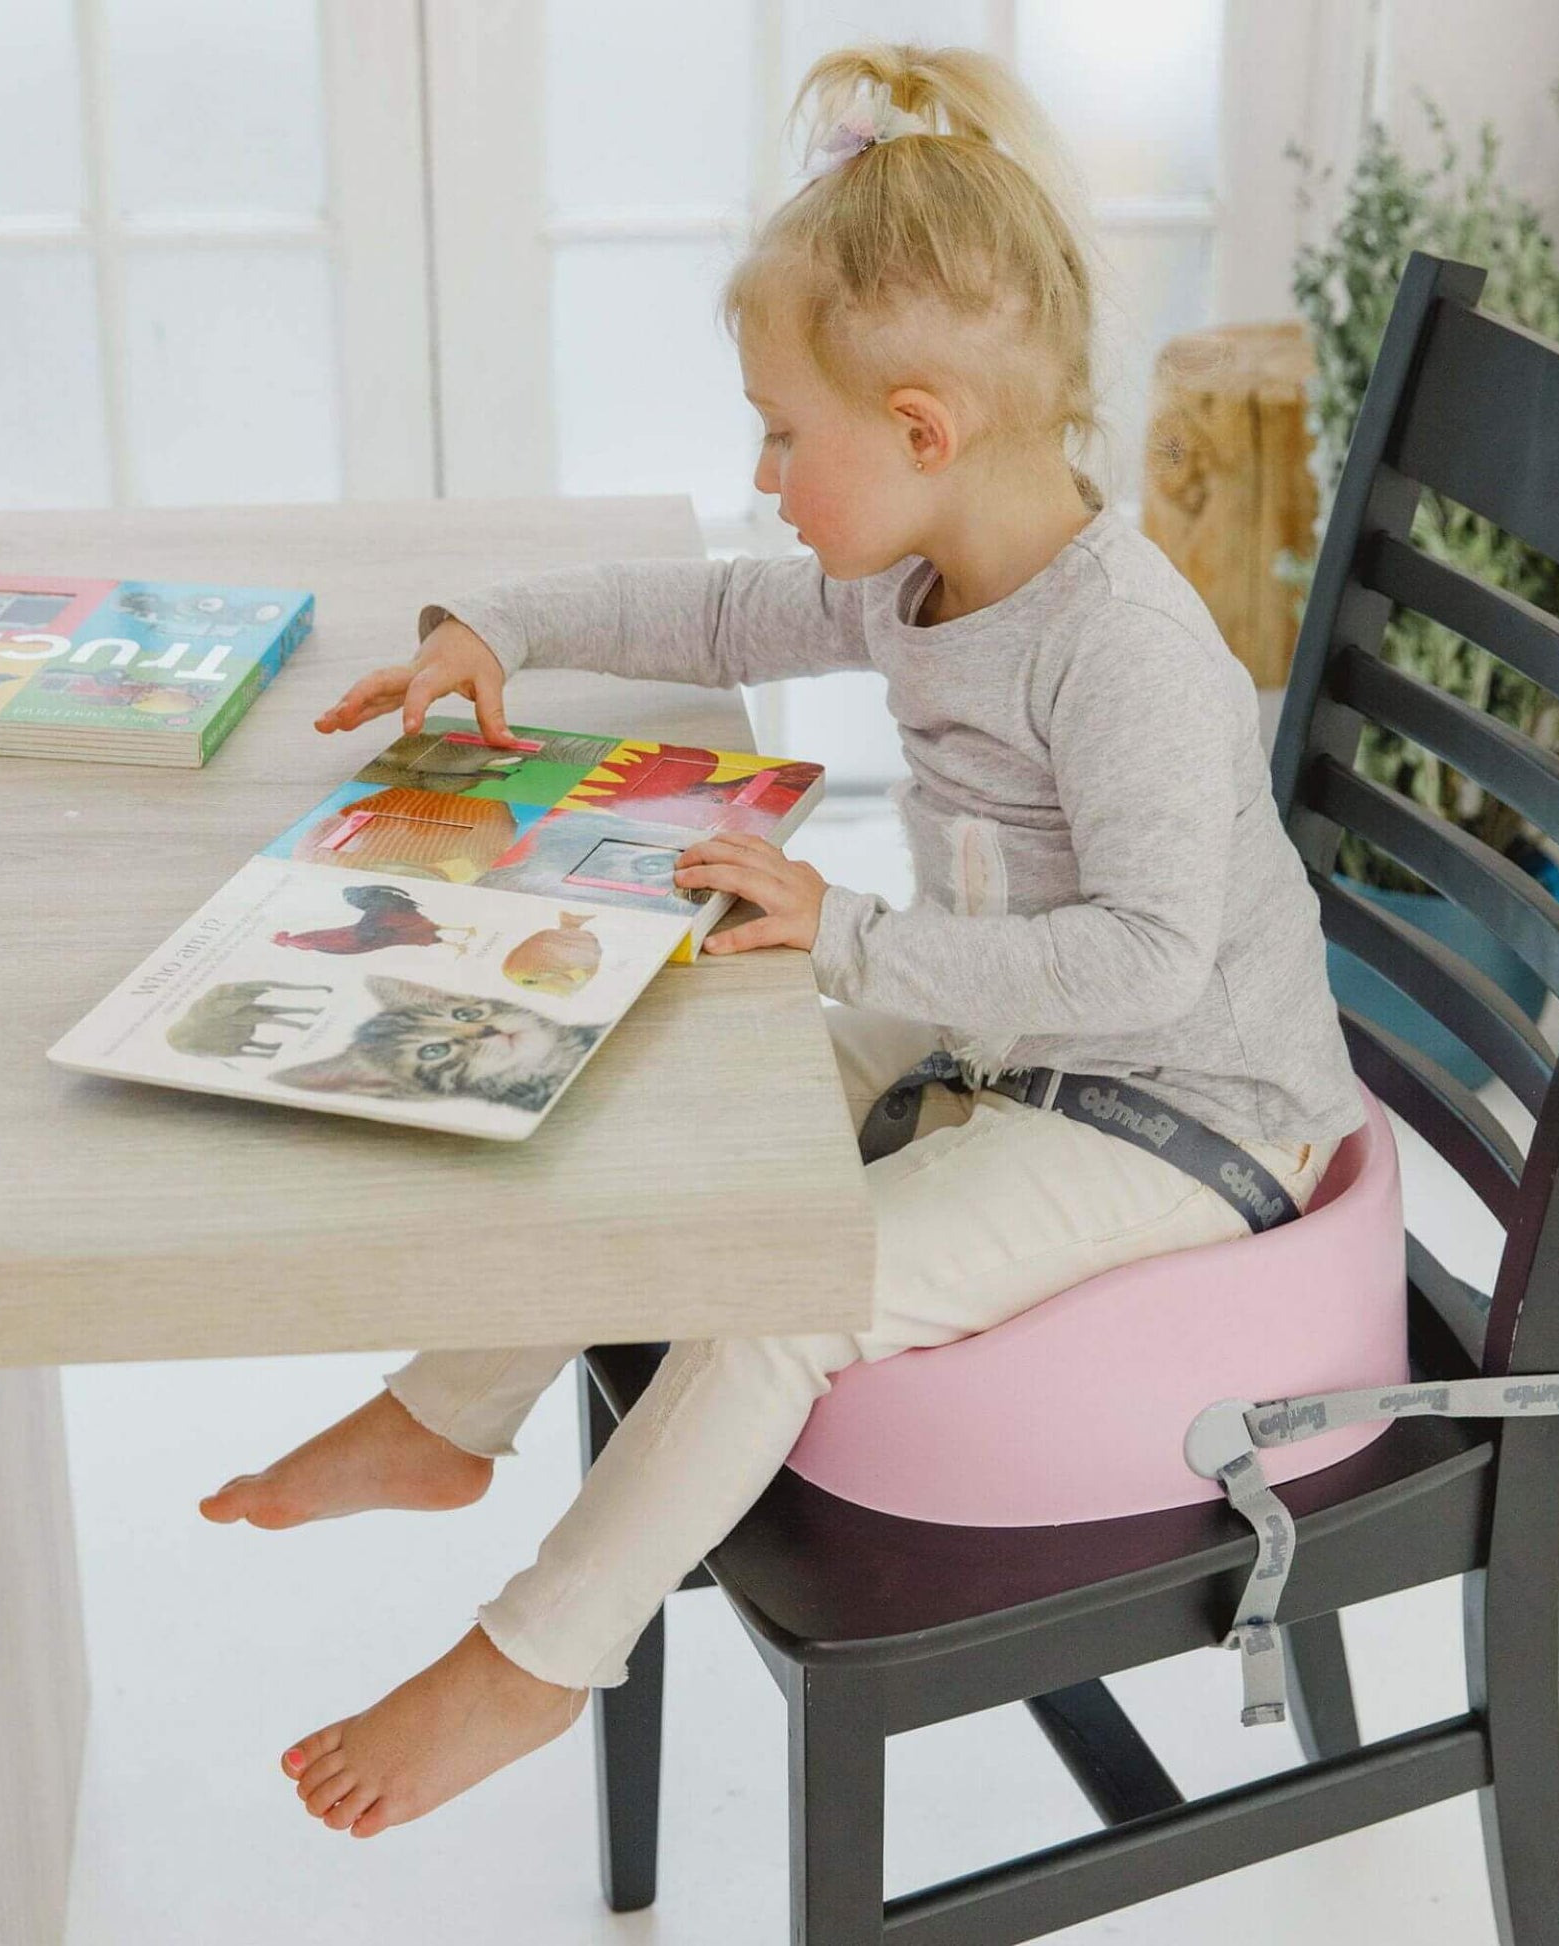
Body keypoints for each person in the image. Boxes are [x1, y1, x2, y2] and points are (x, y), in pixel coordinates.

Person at [199, 40, 1367, 1842]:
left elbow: (1144, 965)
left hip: (1188, 1112)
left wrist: (844, 932)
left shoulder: (1114, 643)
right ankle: (445, 1416)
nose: (762, 478)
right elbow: (725, 602)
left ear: (918, 428)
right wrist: (493, 621)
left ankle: (532, 1656)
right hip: (1009, 1039)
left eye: (776, 435)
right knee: (655, 1094)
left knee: (771, 1296)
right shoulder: (925, 569)